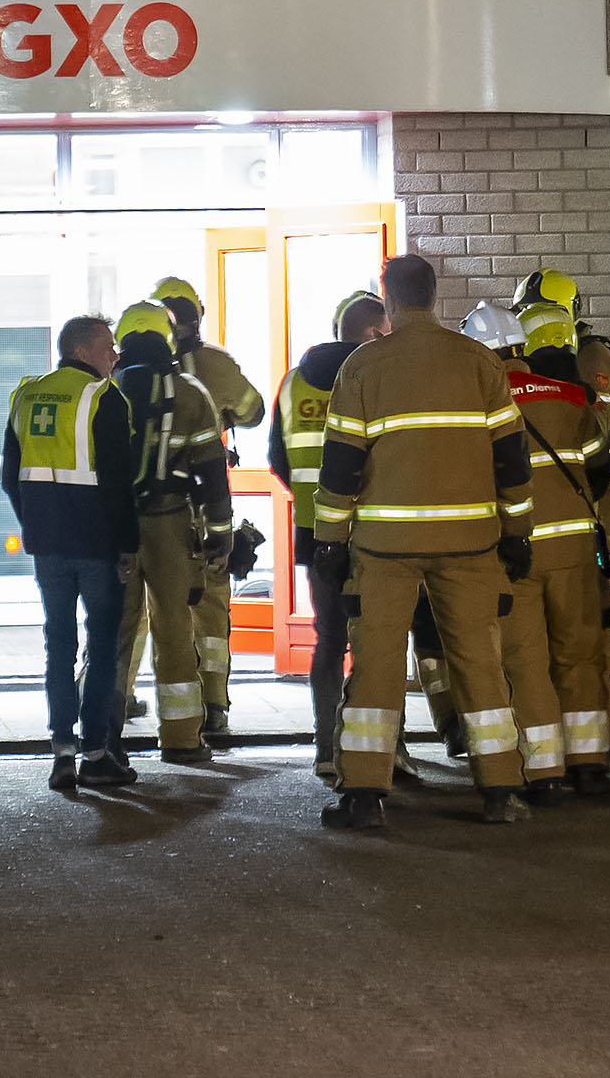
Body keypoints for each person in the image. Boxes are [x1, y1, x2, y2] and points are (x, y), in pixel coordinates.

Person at [315, 255, 534, 828]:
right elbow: (512, 461)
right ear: (433, 296)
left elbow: (340, 469)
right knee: (480, 664)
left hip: (385, 548)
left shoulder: (363, 367)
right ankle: (502, 790)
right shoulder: (480, 362)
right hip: (470, 544)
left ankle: (364, 795)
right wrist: (518, 533)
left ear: (387, 300)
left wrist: (331, 543)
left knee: (377, 665)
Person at [486, 301, 610, 800]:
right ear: (521, 347)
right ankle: (589, 763)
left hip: (515, 552)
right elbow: (600, 467)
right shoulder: (569, 395)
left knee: (526, 662)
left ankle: (544, 772)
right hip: (576, 550)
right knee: (579, 654)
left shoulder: (484, 406)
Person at [2, 314, 141, 790]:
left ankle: (62, 752)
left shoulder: (27, 393)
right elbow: (120, 485)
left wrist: (34, 523)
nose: (115, 354)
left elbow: (9, 475)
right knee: (101, 647)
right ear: (81, 350)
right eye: (108, 346)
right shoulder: (105, 398)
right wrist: (127, 547)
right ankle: (97, 755)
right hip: (95, 546)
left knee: (58, 646)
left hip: (48, 547)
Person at [512, 268, 610, 756]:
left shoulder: (590, 357)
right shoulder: (567, 357)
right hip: (586, 499)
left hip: (603, 500)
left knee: (598, 614)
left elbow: (600, 428)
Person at [109, 299, 232, 764]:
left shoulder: (104, 391)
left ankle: (104, 736)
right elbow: (210, 475)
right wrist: (220, 535)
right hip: (170, 526)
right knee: (174, 630)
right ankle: (181, 738)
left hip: (114, 530)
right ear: (167, 339)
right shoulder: (190, 392)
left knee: (114, 631)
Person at [270, 290, 387, 779]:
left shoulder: (294, 382)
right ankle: (377, 750)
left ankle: (325, 747)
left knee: (328, 637)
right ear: (371, 333)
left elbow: (278, 458)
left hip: (313, 529)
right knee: (376, 640)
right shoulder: (373, 374)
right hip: (370, 528)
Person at [149, 276, 265, 738]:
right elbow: (254, 412)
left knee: (143, 607)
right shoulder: (216, 365)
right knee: (212, 603)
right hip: (207, 501)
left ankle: (119, 702)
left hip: (155, 507)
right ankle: (215, 705)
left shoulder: (135, 372)